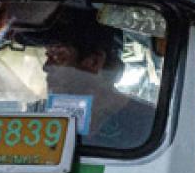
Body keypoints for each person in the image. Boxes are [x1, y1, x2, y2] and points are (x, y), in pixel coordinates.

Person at [41, 12, 156, 148]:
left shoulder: (149, 123)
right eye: (48, 56)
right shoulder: (37, 113)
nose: (46, 67)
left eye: (59, 57)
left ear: (94, 62)